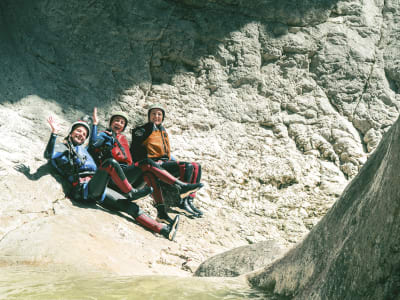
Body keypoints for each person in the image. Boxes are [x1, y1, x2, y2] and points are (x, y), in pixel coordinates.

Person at [44, 112, 179, 241]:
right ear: (71, 132)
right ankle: (131, 192)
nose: (81, 135)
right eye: (78, 131)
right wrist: (54, 134)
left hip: (97, 188)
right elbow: (48, 155)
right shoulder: (63, 147)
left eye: (84, 134)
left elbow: (94, 146)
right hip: (83, 189)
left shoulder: (84, 151)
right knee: (110, 164)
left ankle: (164, 230)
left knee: (130, 207)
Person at [89, 109, 203, 224]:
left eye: (122, 122)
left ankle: (161, 213)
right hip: (114, 177)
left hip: (127, 178)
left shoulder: (122, 139)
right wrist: (94, 124)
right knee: (147, 162)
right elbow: (93, 144)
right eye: (116, 121)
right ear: (111, 123)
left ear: (124, 127)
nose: (119, 123)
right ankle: (180, 187)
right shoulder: (104, 135)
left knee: (149, 174)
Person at [130, 104, 204, 217]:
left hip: (165, 162)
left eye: (159, 114)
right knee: (187, 166)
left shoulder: (162, 130)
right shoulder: (142, 130)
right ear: (149, 116)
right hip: (154, 164)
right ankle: (180, 200)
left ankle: (188, 200)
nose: (156, 116)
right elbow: (136, 150)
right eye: (153, 114)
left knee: (196, 166)